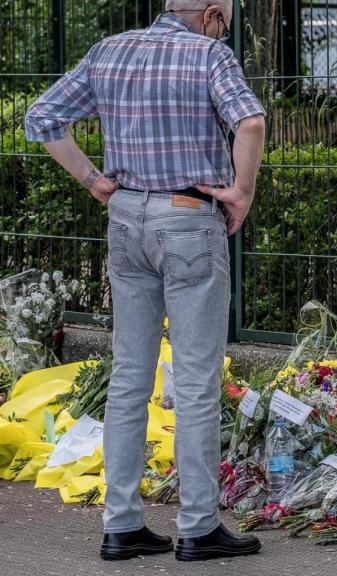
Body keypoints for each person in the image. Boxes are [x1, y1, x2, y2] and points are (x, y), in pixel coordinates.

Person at [24, 0, 265, 563]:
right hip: (189, 218)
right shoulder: (210, 55)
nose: (223, 29)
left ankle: (122, 524)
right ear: (210, 13)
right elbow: (250, 121)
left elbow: (43, 117)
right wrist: (242, 193)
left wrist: (92, 180)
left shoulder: (109, 51)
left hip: (127, 217)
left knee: (130, 373)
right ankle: (200, 526)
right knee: (198, 377)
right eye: (225, 20)